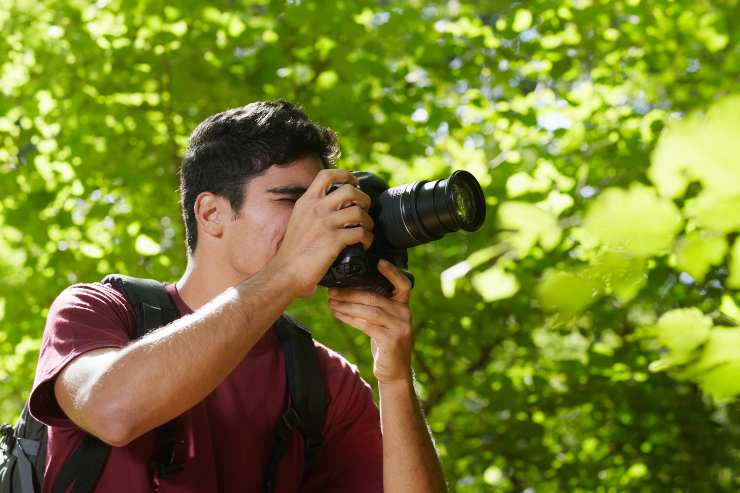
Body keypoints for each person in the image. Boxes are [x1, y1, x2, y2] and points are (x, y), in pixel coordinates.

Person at [28, 100, 447, 492]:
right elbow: (113, 410)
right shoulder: (101, 310)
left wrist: (394, 380)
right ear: (212, 214)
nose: (319, 220)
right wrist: (286, 270)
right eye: (292, 201)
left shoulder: (323, 381)